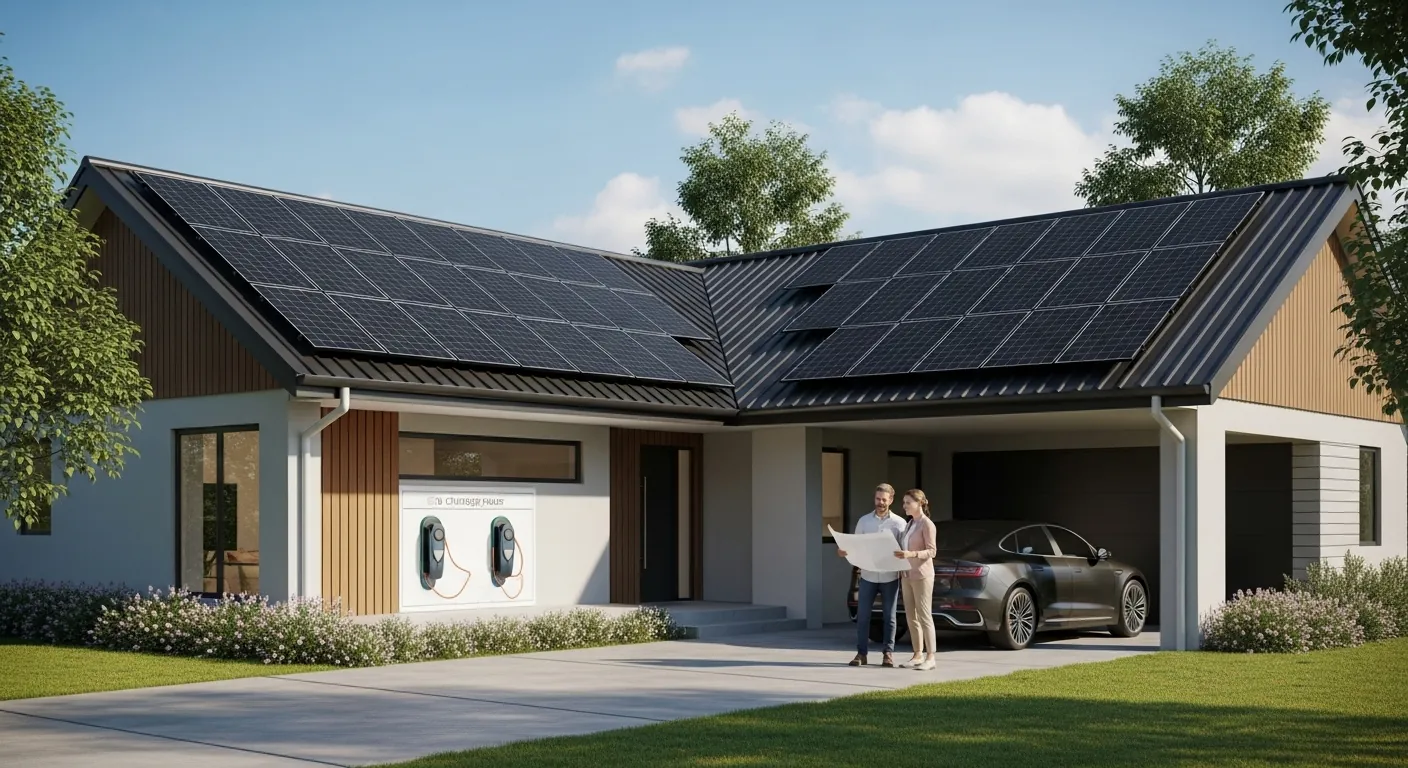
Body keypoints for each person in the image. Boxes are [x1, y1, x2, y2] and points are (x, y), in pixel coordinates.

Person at [838, 483, 907, 667]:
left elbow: (904, 550)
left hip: (890, 576)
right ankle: (861, 654)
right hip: (868, 575)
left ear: (891, 500)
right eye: (878, 499)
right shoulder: (864, 521)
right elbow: (855, 546)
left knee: (889, 617)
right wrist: (845, 551)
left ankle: (888, 654)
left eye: (884, 499)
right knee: (863, 616)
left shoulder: (899, 523)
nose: (880, 503)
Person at [894, 489, 937, 671]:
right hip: (906, 574)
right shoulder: (910, 524)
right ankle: (917, 654)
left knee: (924, 615)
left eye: (907, 503)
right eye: (903, 503)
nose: (904, 506)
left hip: (922, 575)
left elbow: (932, 551)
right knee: (911, 616)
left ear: (919, 503)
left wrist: (911, 554)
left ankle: (931, 656)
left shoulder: (927, 524)